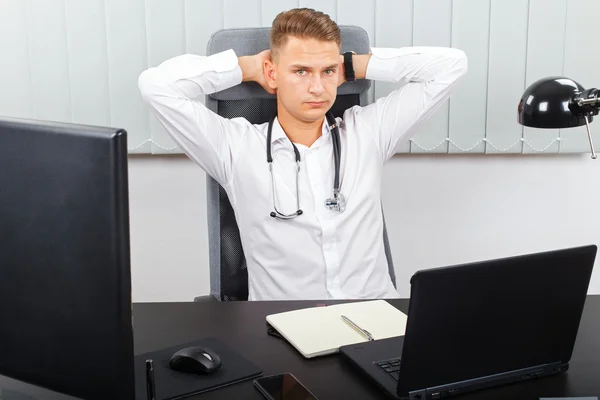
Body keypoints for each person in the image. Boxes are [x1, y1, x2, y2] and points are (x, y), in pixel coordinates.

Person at [138, 8, 468, 301]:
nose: (317, 88)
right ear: (273, 74)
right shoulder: (234, 147)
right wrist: (248, 67)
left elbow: (452, 66)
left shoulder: (368, 133)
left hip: (377, 319)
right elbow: (156, 86)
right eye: (300, 71)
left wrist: (354, 63)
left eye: (327, 71)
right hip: (285, 329)